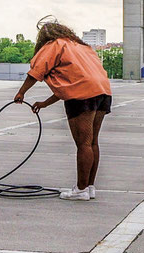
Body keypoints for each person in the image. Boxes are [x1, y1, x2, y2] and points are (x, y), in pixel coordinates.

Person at [13, 20, 113, 201]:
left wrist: (21, 93)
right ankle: (89, 187)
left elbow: (36, 71)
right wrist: (44, 103)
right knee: (92, 143)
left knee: (83, 144)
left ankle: (80, 190)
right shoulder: (82, 47)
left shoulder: (54, 45)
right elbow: (72, 83)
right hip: (103, 93)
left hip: (83, 97)